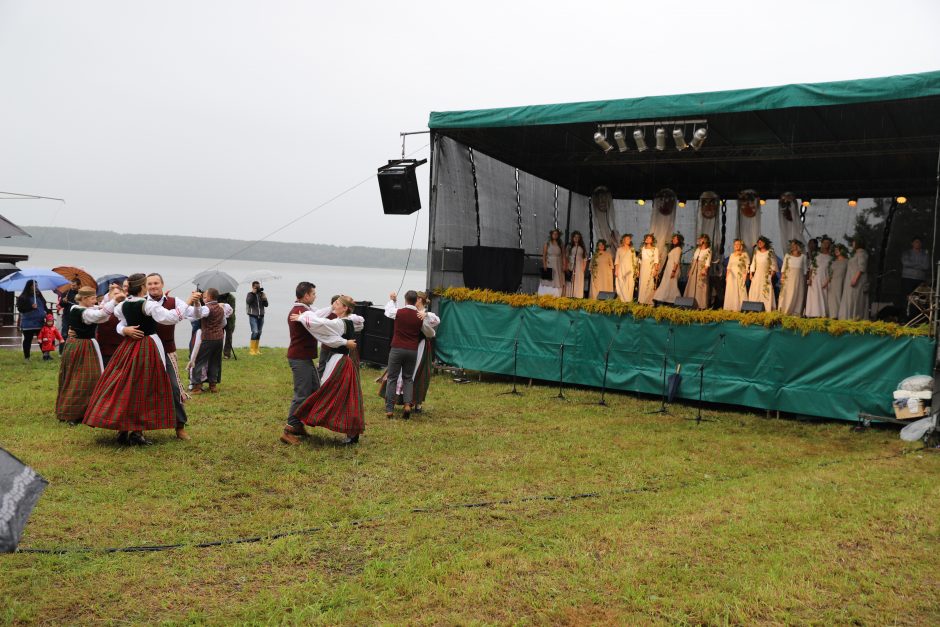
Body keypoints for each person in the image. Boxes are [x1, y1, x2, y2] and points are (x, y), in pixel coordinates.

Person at [83, 273, 203, 445]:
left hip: (129, 348)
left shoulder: (123, 305)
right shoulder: (148, 305)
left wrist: (193, 304)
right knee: (143, 388)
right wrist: (188, 301)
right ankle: (134, 431)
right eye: (148, 284)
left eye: (155, 283)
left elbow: (118, 315)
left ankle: (130, 429)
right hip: (147, 347)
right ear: (142, 287)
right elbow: (171, 318)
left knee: (129, 387)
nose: (151, 286)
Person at [282, 295, 364, 445]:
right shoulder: (347, 321)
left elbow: (322, 325)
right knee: (342, 396)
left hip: (340, 361)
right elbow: (329, 325)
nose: (334, 305)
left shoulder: (340, 323)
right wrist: (345, 341)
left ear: (345, 308)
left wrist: (303, 317)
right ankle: (351, 432)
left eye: (337, 304)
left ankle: (297, 422)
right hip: (343, 360)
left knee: (335, 395)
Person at [56, 286, 125, 423]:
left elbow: (98, 310)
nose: (95, 301)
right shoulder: (84, 312)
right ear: (85, 298)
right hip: (84, 346)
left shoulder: (76, 308)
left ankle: (73, 410)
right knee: (86, 379)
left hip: (73, 344)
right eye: (93, 298)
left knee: (73, 377)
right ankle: (76, 414)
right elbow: (100, 316)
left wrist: (112, 303)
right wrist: (114, 301)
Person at [381, 290, 440, 414]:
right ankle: (407, 404)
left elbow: (435, 323)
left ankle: (397, 407)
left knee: (415, 376)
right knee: (407, 378)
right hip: (412, 349)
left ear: (419, 300)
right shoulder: (414, 315)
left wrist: (426, 314)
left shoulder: (421, 315)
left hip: (418, 348)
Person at [284, 281, 321, 440]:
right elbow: (320, 323)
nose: (315, 296)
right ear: (305, 295)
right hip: (299, 358)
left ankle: (298, 425)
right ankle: (289, 429)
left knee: (314, 389)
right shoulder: (301, 312)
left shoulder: (304, 310)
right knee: (302, 394)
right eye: (313, 293)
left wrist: (334, 308)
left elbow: (319, 315)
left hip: (304, 357)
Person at [190, 288, 233, 393]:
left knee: (199, 361)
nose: (203, 298)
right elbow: (224, 323)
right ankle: (213, 385)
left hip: (207, 338)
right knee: (215, 361)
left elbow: (197, 315)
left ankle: (196, 386)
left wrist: (195, 302)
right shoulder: (221, 308)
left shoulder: (206, 308)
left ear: (209, 297)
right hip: (219, 338)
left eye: (204, 296)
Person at [96, 278, 127, 367]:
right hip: (106, 348)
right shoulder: (103, 309)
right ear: (109, 296)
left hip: (122, 347)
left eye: (119, 294)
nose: (118, 296)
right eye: (115, 294)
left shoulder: (126, 309)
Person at [16, 280, 48, 360]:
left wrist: (48, 313)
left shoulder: (39, 296)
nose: (36, 287)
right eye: (34, 286)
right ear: (29, 286)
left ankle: (45, 355)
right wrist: (31, 307)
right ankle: (27, 357)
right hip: (28, 323)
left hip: (40, 322)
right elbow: (21, 309)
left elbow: (44, 306)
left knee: (43, 339)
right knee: (28, 340)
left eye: (37, 285)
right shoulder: (23, 297)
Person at [838, 239, 869, 320]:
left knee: (854, 299)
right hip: (851, 280)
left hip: (857, 281)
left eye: (854, 242)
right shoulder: (857, 254)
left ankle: (854, 317)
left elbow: (862, 267)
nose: (852, 244)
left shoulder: (862, 253)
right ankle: (848, 317)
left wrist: (855, 278)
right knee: (850, 299)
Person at [805, 236, 833, 318]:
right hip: (814, 278)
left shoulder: (831, 257)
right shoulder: (816, 255)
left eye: (828, 243)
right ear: (822, 244)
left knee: (823, 296)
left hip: (824, 277)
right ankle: (812, 313)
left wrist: (828, 280)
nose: (826, 245)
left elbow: (832, 271)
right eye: (824, 243)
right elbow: (811, 267)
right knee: (814, 296)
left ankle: (822, 313)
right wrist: (809, 278)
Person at [747, 236, 778, 312]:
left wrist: (770, 276)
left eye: (761, 242)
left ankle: (766, 309)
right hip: (757, 275)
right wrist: (751, 274)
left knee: (765, 292)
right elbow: (753, 263)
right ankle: (753, 309)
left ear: (765, 243)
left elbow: (774, 265)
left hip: (766, 275)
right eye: (758, 242)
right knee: (755, 290)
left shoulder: (770, 252)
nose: (759, 243)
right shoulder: (756, 252)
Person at [778, 240, 807, 315]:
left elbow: (805, 270)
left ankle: (796, 312)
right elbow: (783, 268)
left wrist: (806, 281)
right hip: (789, 278)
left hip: (799, 279)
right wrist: (782, 278)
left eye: (794, 245)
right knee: (788, 293)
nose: (792, 246)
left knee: (798, 294)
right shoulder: (787, 256)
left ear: (798, 246)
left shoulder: (803, 257)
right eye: (791, 245)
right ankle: (785, 310)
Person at [653, 233, 683, 304]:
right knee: (667, 284)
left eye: (676, 239)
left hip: (672, 269)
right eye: (673, 238)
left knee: (672, 284)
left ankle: (674, 299)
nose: (674, 240)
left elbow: (676, 261)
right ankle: (665, 299)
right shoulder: (674, 249)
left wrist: (673, 271)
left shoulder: (678, 249)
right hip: (668, 269)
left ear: (679, 241)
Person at [684, 233, 712, 309]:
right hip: (694, 267)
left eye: (701, 239)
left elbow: (707, 262)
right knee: (692, 285)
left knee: (700, 286)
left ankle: (700, 304)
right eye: (699, 239)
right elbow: (693, 260)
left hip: (701, 268)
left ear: (705, 240)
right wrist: (690, 270)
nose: (699, 240)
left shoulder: (708, 250)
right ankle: (690, 303)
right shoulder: (697, 250)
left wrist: (704, 270)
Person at [723, 239, 750, 311]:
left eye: (738, 244)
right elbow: (729, 267)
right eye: (735, 244)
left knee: (740, 291)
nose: (736, 246)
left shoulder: (744, 254)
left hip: (740, 275)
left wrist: (745, 275)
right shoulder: (731, 255)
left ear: (741, 246)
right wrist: (727, 277)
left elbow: (747, 265)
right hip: (731, 276)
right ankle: (730, 308)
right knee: (731, 291)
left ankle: (741, 308)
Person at [57, 278, 81, 354]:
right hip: (66, 316)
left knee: (76, 334)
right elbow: (61, 304)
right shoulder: (66, 293)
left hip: (77, 317)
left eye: (74, 285)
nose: (72, 287)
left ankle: (74, 351)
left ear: (79, 285)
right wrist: (63, 301)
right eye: (71, 285)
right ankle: (61, 352)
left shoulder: (81, 294)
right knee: (64, 334)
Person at [246, 280, 268, 355]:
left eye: (259, 287)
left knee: (259, 332)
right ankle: (252, 350)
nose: (258, 288)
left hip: (261, 315)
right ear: (253, 287)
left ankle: (256, 349)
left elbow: (266, 305)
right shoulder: (250, 294)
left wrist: (264, 299)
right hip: (253, 315)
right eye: (256, 287)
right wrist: (253, 293)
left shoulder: (262, 294)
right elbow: (248, 302)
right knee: (255, 332)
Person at [540, 229, 565, 296]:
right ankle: (546, 293)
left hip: (558, 263)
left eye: (556, 234)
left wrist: (563, 264)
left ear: (558, 235)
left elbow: (563, 255)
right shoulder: (547, 243)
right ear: (551, 235)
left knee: (557, 277)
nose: (555, 235)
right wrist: (544, 264)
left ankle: (556, 293)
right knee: (549, 277)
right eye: (554, 234)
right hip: (549, 262)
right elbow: (544, 255)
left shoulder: (560, 244)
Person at [614, 234, 638, 303]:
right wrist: (616, 270)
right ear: (623, 240)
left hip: (630, 269)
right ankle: (623, 300)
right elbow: (617, 261)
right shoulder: (619, 249)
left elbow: (634, 261)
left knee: (630, 284)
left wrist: (636, 270)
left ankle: (629, 300)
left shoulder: (632, 250)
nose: (629, 240)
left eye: (629, 239)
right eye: (627, 239)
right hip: (621, 269)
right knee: (621, 283)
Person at [637, 234, 660, 305]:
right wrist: (638, 270)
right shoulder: (642, 249)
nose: (648, 239)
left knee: (650, 284)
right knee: (642, 283)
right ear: (645, 239)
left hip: (650, 268)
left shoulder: (655, 249)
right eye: (647, 238)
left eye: (650, 238)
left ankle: (649, 301)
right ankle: (641, 300)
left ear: (652, 240)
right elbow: (639, 261)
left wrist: (655, 271)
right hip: (643, 268)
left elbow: (656, 260)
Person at [828, 244, 849, 318]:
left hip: (842, 283)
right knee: (832, 301)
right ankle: (833, 316)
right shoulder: (833, 262)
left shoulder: (847, 261)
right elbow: (830, 274)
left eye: (838, 249)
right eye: (835, 250)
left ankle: (841, 316)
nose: (836, 251)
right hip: (833, 284)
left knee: (841, 299)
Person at [564, 231, 587, 298]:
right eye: (575, 237)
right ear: (573, 238)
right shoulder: (569, 247)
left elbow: (585, 258)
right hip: (571, 266)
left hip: (580, 267)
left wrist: (584, 268)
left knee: (578, 281)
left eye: (578, 237)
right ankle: (569, 296)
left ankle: (577, 296)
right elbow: (566, 257)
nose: (576, 238)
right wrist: (567, 266)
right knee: (571, 281)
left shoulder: (582, 247)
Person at [220, 291, 237, 359]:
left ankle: (227, 354)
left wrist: (226, 315)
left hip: (230, 320)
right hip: (220, 319)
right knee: (219, 337)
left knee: (229, 337)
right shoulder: (218, 297)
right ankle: (217, 352)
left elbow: (232, 310)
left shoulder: (232, 298)